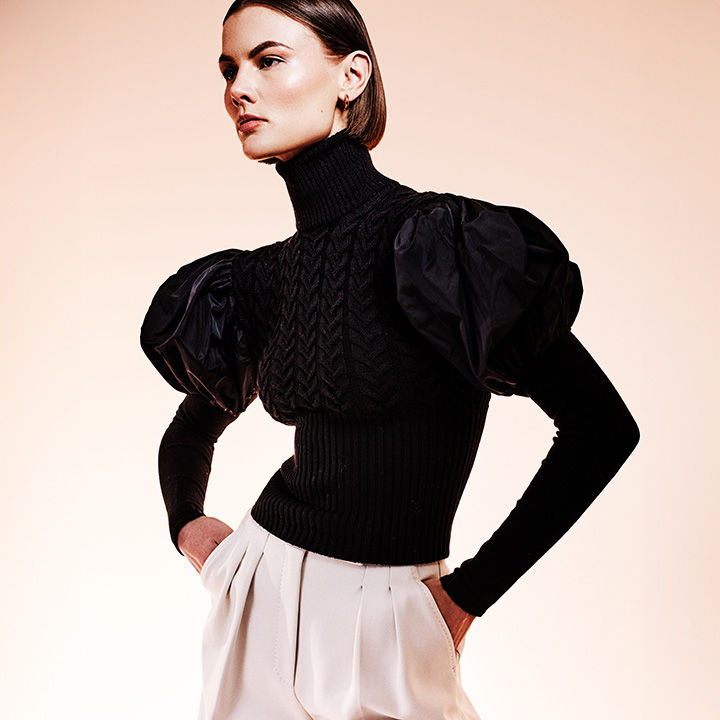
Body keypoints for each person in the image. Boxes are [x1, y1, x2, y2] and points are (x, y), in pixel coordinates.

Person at [139, 1, 641, 718]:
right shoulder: (261, 279)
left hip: (391, 620)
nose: (239, 89)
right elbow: (191, 430)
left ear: (352, 75)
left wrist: (469, 595)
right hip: (258, 595)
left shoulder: (436, 246)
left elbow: (602, 428)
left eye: (268, 60)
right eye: (229, 69)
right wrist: (189, 527)